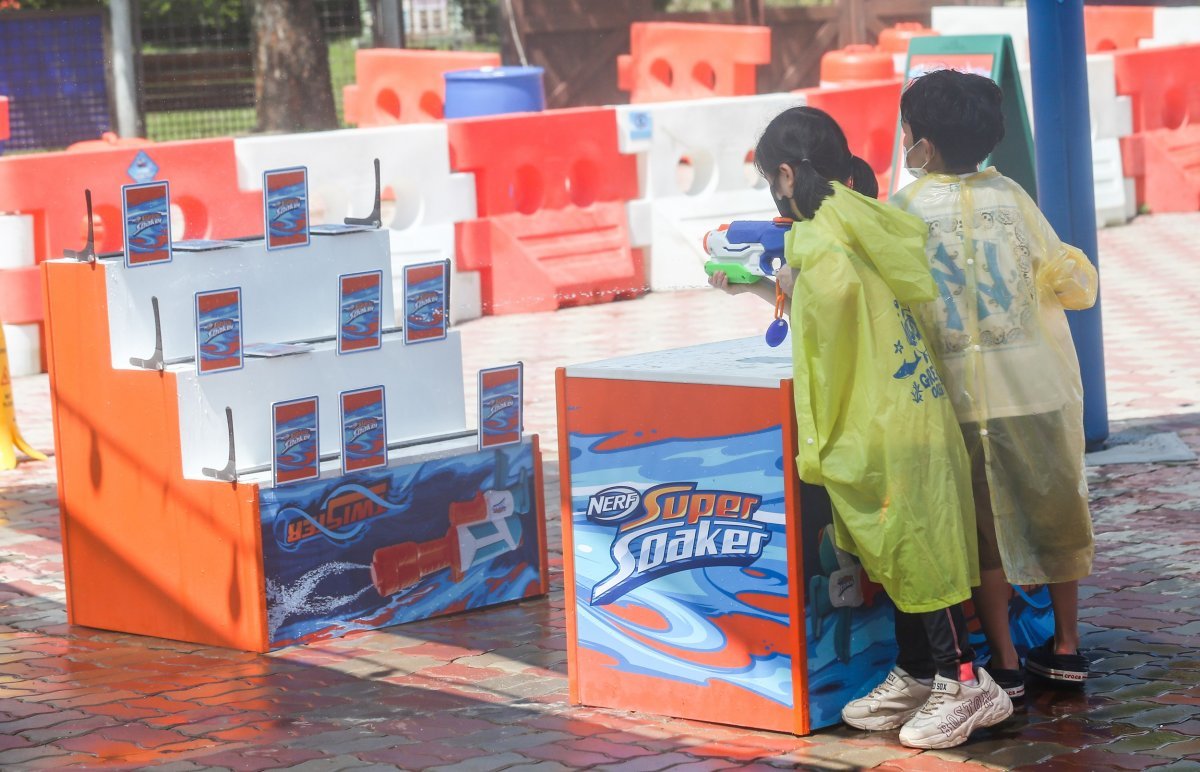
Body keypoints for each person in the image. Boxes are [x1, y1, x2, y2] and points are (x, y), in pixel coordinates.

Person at [711, 105, 1012, 749]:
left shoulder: (818, 238)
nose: (774, 192)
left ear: (787, 175)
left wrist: (775, 275)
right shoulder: (856, 215)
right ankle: (919, 671)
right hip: (907, 409)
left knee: (917, 554)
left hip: (882, 420)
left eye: (772, 179)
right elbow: (832, 305)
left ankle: (965, 683)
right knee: (900, 553)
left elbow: (825, 305)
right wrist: (766, 287)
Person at [892, 68, 1098, 695]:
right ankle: (1065, 647)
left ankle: (1003, 663)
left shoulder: (902, 210)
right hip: (1034, 391)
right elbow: (1071, 281)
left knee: (984, 536)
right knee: (1056, 513)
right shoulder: (1013, 198)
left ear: (921, 145)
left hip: (958, 402)